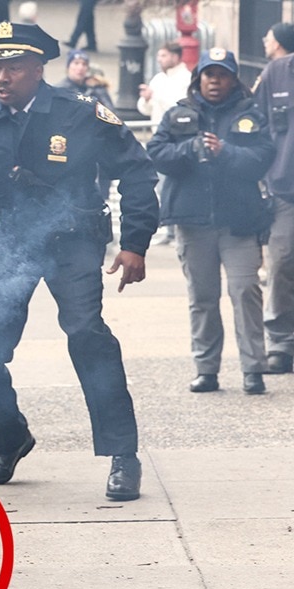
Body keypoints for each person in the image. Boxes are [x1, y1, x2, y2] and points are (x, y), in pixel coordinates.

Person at [0, 22, 159, 501]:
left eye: (14, 66)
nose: (2, 76)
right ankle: (10, 436)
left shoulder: (80, 112)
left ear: (39, 68)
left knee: (87, 335)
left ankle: (122, 455)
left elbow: (138, 171)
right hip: (4, 245)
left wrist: (135, 242)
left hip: (72, 240)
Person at [146, 49, 275, 395]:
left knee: (245, 291)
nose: (215, 81)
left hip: (239, 222)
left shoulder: (251, 115)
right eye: (209, 74)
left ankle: (253, 369)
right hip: (193, 222)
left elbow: (263, 157)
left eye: (222, 75)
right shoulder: (179, 114)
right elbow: (155, 153)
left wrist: (226, 152)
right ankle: (206, 370)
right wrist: (191, 149)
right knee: (202, 297)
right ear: (198, 79)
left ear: (234, 79)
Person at [254, 26, 294, 375]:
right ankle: (281, 344)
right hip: (285, 190)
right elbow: (255, 125)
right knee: (281, 265)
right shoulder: (276, 72)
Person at [139, 41, 192, 246]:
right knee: (160, 186)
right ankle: (168, 228)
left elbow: (179, 105)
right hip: (158, 138)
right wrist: (146, 99)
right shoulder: (158, 79)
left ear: (176, 57)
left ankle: (175, 228)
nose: (160, 59)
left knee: (171, 185)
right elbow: (146, 109)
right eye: (159, 56)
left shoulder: (186, 79)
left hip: (177, 139)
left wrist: (156, 96)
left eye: (164, 56)